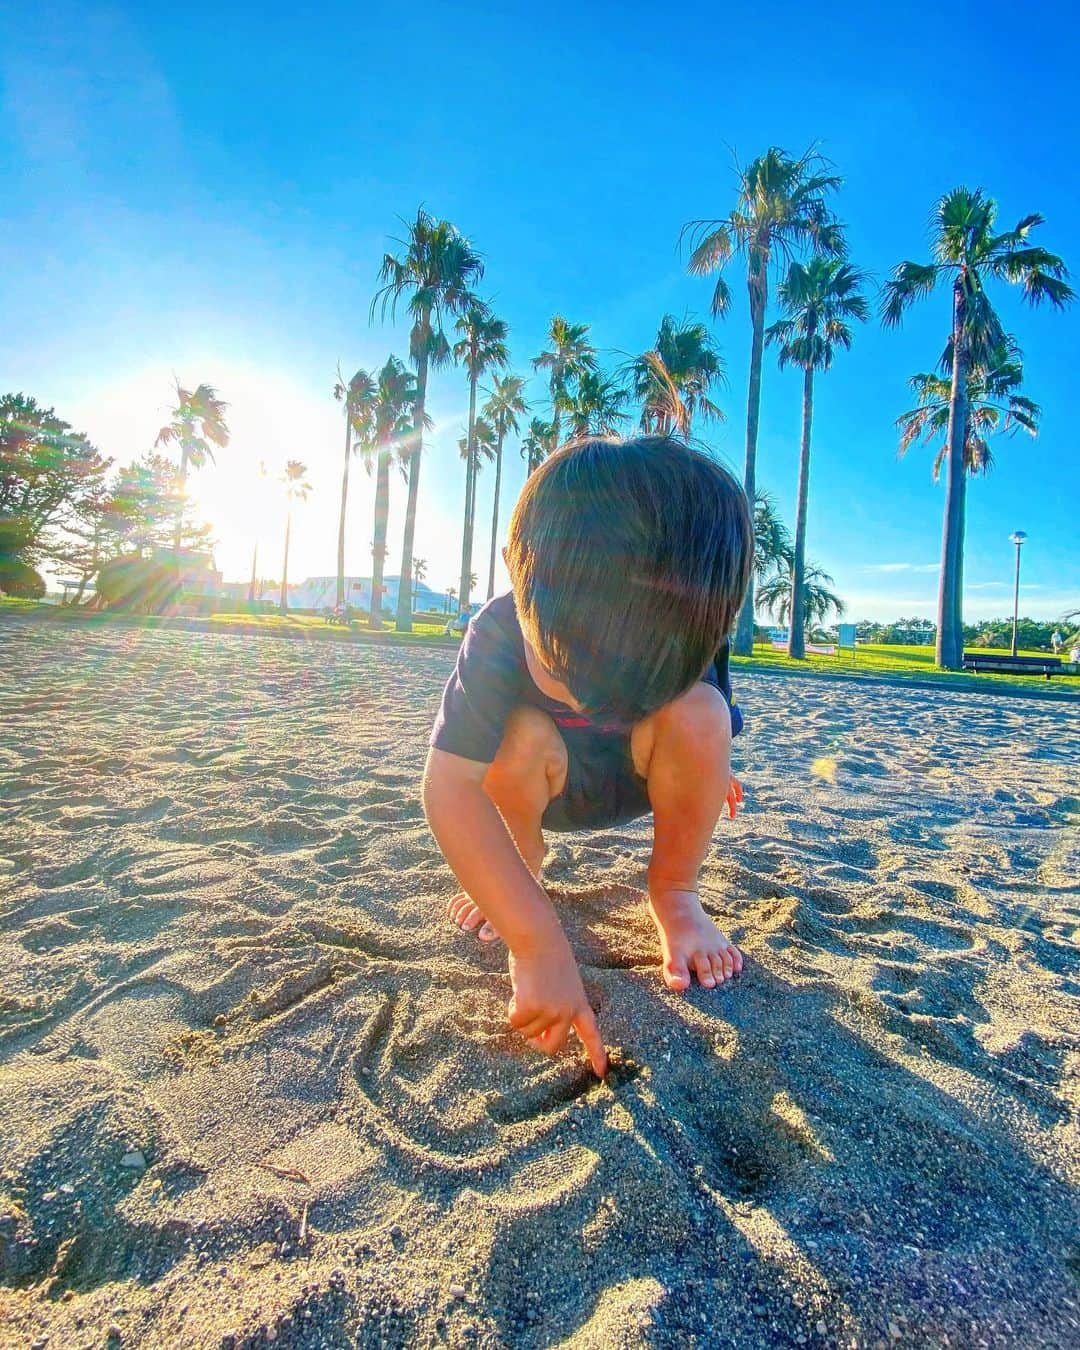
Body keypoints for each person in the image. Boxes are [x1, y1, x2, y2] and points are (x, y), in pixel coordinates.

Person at [423, 436, 752, 1075]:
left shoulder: (688, 621)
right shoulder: (496, 633)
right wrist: (536, 944)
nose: (603, 700)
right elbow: (449, 786)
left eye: (639, 680)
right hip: (544, 783)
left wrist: (711, 771)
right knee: (517, 734)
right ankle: (520, 870)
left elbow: (712, 723)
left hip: (636, 776)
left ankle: (675, 894)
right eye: (567, 670)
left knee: (700, 710)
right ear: (519, 580)